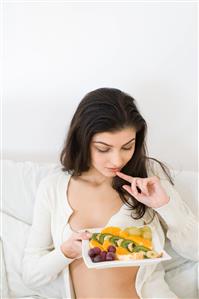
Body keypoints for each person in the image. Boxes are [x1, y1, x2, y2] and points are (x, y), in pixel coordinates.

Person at [22, 88, 198, 299]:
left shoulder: (148, 177)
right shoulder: (52, 188)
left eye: (127, 147)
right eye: (104, 149)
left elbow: (195, 250)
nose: (117, 160)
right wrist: (65, 253)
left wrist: (165, 206)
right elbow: (31, 275)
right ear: (82, 140)